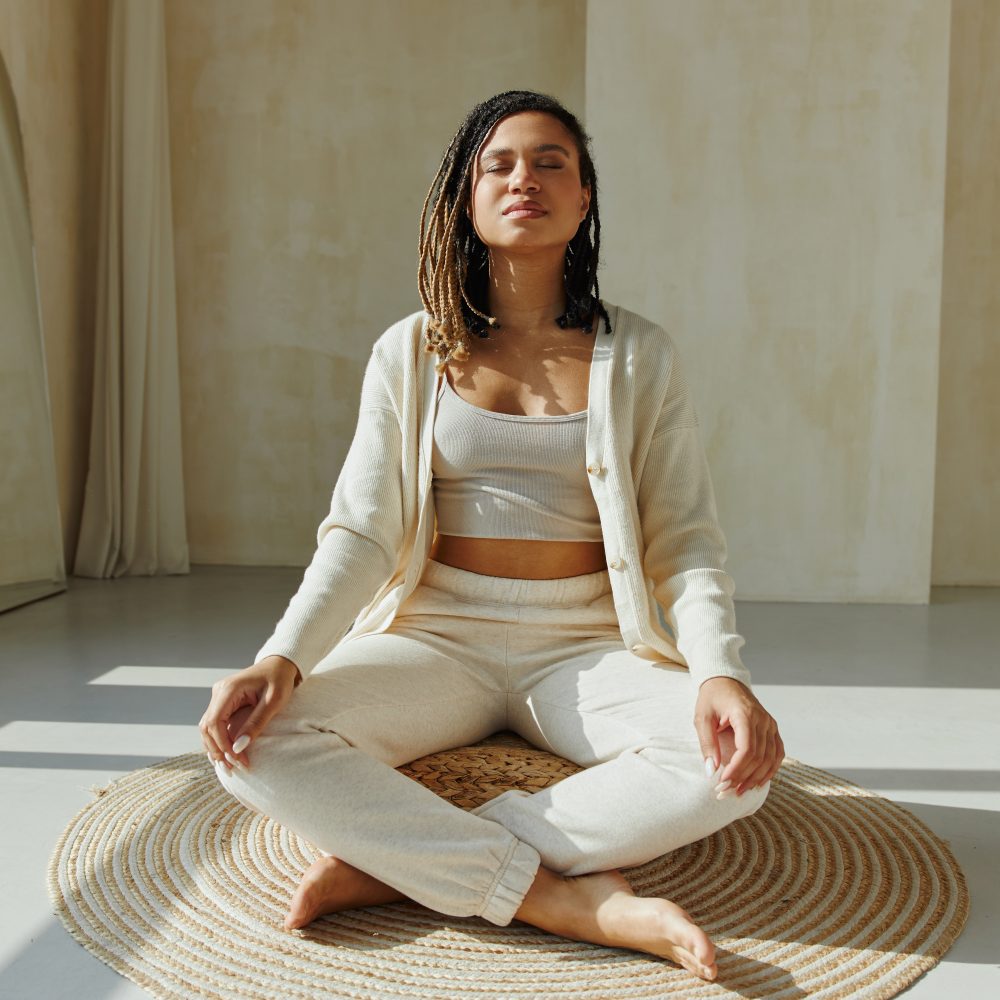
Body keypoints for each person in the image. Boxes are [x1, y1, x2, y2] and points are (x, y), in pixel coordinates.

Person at [199, 89, 783, 983]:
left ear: (585, 198)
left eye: (553, 161)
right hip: (437, 636)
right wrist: (281, 659)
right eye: (499, 163)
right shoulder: (410, 351)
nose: (525, 178)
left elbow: (686, 542)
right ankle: (563, 898)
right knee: (255, 741)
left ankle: (394, 865)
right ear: (465, 198)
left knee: (733, 770)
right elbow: (360, 531)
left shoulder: (642, 355)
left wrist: (719, 673)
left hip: (585, 642)